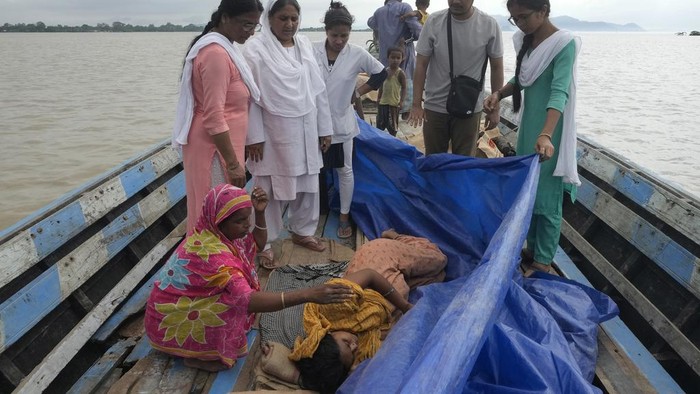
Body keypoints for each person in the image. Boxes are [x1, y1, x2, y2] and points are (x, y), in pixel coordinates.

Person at [145, 184, 354, 372]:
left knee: (235, 300)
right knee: (231, 307)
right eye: (240, 221)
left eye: (248, 218)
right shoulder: (214, 256)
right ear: (219, 220)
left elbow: (257, 245)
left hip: (180, 305)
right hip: (170, 319)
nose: (247, 225)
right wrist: (309, 294)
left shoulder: (214, 233)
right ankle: (198, 357)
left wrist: (260, 213)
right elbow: (248, 301)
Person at [262, 229, 447, 392]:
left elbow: (370, 275)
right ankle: (408, 274)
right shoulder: (363, 343)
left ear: (328, 335)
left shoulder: (333, 307)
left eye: (346, 343)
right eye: (352, 353)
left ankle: (395, 236)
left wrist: (405, 306)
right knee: (439, 278)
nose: (354, 345)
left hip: (380, 258)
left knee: (439, 260)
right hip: (397, 282)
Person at [483, 0, 580, 275]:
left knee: (547, 197)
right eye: (514, 19)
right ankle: (533, 248)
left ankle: (543, 262)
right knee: (530, 191)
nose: (520, 24)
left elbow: (560, 92)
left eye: (524, 17)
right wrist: (498, 94)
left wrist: (547, 134)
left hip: (551, 130)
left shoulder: (564, 43)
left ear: (543, 11)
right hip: (530, 128)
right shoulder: (526, 41)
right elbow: (522, 80)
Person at [243, 0, 334, 268]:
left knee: (308, 182)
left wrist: (324, 128)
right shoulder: (255, 50)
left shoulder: (304, 46)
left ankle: (303, 230)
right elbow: (250, 98)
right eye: (283, 18)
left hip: (306, 126)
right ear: (269, 18)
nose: (289, 24)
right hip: (271, 131)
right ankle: (264, 241)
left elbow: (318, 91)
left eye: (294, 18)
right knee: (266, 186)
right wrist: (254, 136)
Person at [171, 0, 264, 235]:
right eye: (246, 25)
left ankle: (221, 265)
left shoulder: (225, 49)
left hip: (222, 147)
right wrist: (234, 164)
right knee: (217, 215)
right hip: (214, 150)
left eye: (255, 26)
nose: (251, 32)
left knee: (219, 212)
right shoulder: (215, 54)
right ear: (224, 18)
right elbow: (213, 116)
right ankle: (212, 268)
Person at [312, 1, 387, 239]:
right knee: (314, 170)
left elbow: (381, 72)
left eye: (344, 35)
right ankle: (315, 213)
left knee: (344, 170)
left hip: (342, 122)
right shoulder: (311, 51)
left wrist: (359, 92)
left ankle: (344, 216)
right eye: (335, 35)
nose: (339, 40)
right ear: (326, 31)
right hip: (313, 123)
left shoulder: (356, 53)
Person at [408, 0, 504, 156]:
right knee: (434, 160)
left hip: (469, 107)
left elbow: (497, 67)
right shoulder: (434, 21)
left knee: (464, 162)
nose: (455, 1)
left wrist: (495, 108)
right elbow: (421, 64)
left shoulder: (488, 25)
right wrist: (416, 104)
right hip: (435, 106)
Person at [368, 0, 422, 119]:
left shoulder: (379, 12)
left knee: (387, 82)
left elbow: (370, 23)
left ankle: (387, 112)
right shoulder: (404, 8)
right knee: (405, 82)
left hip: (385, 57)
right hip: (403, 56)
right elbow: (419, 33)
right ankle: (404, 112)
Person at [376, 47, 407, 136]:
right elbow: (381, 85)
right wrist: (378, 97)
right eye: (393, 57)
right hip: (383, 103)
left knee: (393, 126)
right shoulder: (385, 71)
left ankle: (392, 141)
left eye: (398, 58)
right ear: (388, 58)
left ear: (402, 59)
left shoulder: (401, 73)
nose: (395, 60)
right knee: (380, 125)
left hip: (394, 104)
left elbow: (404, 88)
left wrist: (401, 101)